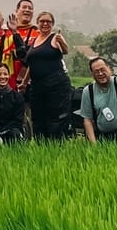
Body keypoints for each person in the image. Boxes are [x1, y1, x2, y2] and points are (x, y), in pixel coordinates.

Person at [16, 11, 74, 140]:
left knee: (56, 118)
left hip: (56, 85)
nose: (45, 24)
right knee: (38, 118)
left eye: (48, 21)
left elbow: (65, 50)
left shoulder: (55, 37)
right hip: (37, 86)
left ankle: (56, 147)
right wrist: (24, 83)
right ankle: (41, 148)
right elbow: (32, 64)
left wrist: (62, 42)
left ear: (52, 24)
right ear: (37, 23)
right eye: (42, 21)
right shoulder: (35, 41)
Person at [0, 65, 27, 142]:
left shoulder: (17, 97)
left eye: (5, 74)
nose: (3, 77)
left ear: (9, 75)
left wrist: (3, 132)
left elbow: (18, 121)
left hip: (12, 131)